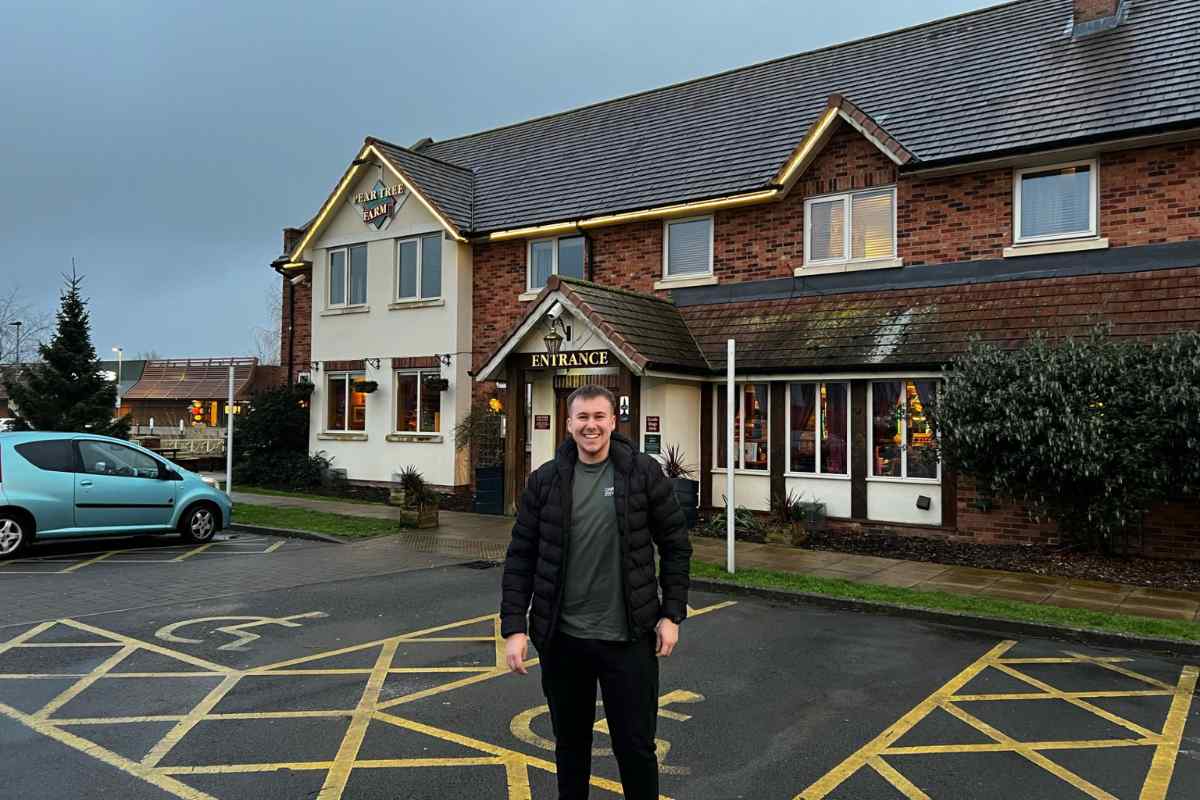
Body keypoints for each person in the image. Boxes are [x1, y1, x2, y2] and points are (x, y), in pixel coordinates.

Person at [500, 384, 692, 800]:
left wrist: (671, 614)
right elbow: (521, 556)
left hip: (629, 638)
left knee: (636, 749)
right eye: (582, 417)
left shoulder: (642, 475)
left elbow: (676, 544)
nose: (591, 426)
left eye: (599, 417)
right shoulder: (545, 481)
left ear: (613, 421)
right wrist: (514, 627)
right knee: (571, 749)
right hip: (564, 641)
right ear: (568, 424)